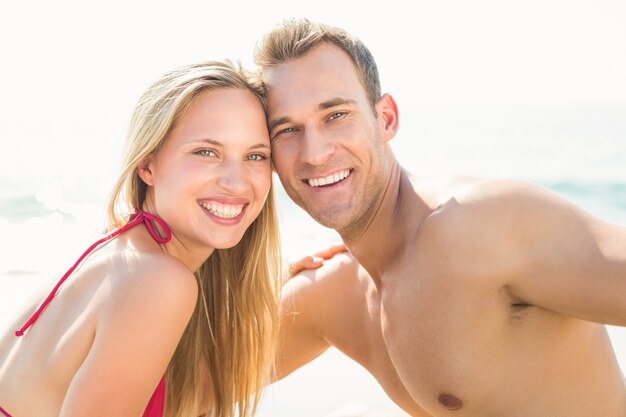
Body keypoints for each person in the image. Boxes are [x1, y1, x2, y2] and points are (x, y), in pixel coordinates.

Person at [254, 18, 626, 417]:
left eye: (336, 115)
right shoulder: (331, 292)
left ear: (386, 120)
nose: (314, 152)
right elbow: (190, 385)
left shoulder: (478, 224)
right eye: (288, 129)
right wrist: (247, 286)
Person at [0, 60, 281, 417]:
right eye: (206, 152)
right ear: (147, 165)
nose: (237, 182)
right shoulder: (157, 281)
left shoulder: (120, 250)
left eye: (255, 156)